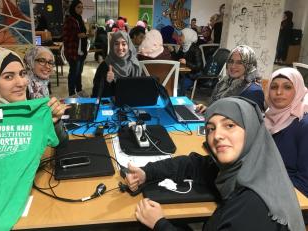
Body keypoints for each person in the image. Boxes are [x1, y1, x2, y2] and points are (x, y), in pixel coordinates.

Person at [126, 97, 305, 231]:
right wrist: (147, 172)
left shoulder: (252, 205)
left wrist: (159, 224)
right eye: (211, 128)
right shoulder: (250, 166)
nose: (217, 135)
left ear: (250, 130)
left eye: (229, 125)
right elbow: (194, 164)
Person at [0, 46, 68, 145]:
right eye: (8, 76)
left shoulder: (24, 109)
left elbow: (60, 143)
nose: (22, 83)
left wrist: (54, 122)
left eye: (22, 74)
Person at [265, 67, 308, 197]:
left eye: (287, 87)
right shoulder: (267, 117)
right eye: (273, 87)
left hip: (288, 197)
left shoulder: (304, 125)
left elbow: (304, 183)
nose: (279, 92)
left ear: (298, 90)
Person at [196, 45, 264, 113]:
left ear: (249, 65)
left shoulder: (254, 91)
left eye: (240, 62)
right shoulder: (225, 82)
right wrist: (207, 109)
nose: (233, 66)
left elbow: (249, 121)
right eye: (231, 61)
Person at [91, 31, 141, 97]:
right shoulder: (105, 65)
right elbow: (96, 93)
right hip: (110, 105)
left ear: (128, 45)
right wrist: (107, 82)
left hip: (131, 104)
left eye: (124, 44)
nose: (120, 48)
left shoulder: (134, 64)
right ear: (112, 45)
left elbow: (139, 89)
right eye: (116, 44)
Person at [63, 0, 88, 96]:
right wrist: (77, 35)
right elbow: (65, 36)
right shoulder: (69, 19)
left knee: (79, 72)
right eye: (78, 7)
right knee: (74, 72)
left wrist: (86, 35)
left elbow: (82, 34)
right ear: (73, 8)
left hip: (81, 50)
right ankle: (72, 93)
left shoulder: (79, 19)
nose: (81, 9)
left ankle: (79, 90)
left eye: (82, 7)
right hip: (73, 51)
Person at [171, 28, 203, 95]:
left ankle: (179, 102)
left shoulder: (196, 50)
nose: (180, 37)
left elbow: (199, 67)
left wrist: (186, 63)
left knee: (181, 85)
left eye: (182, 35)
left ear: (188, 37)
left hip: (192, 74)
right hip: (184, 73)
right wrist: (172, 51)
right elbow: (177, 59)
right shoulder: (183, 47)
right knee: (173, 81)